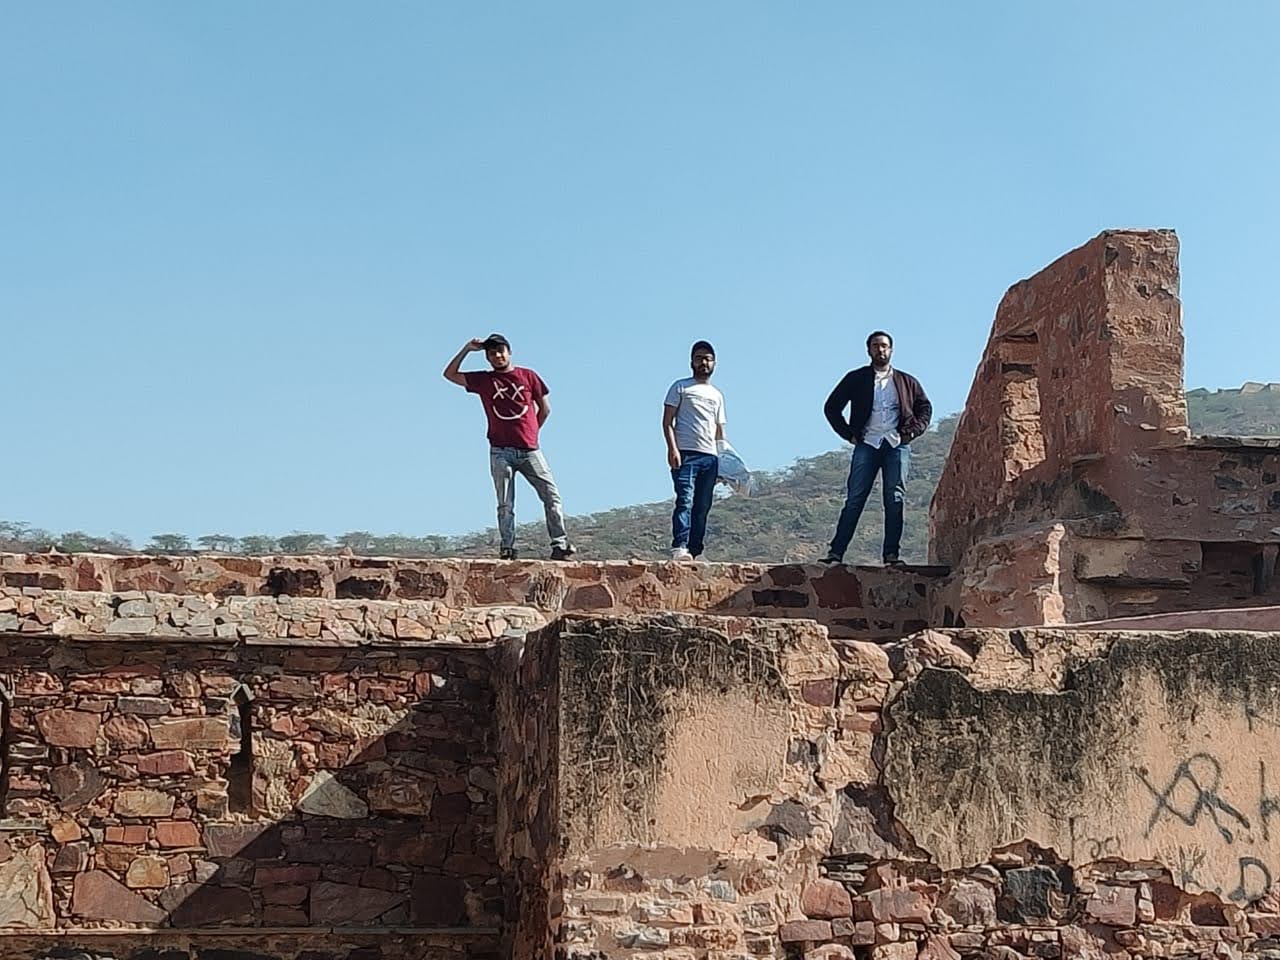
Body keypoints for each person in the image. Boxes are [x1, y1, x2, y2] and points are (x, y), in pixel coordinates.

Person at [443, 334, 575, 561]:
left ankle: (559, 544)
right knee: (505, 502)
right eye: (492, 353)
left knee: (551, 495)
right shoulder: (484, 380)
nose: (497, 356)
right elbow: (450, 374)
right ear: (487, 358)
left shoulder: (528, 376)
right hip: (500, 450)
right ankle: (508, 547)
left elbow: (545, 408)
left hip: (530, 449)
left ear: (509, 352)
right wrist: (466, 349)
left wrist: (533, 431)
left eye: (500, 351)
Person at [821, 331, 932, 566]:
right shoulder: (856, 378)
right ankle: (836, 553)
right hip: (867, 444)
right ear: (868, 350)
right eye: (875, 346)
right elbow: (831, 407)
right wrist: (849, 434)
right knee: (855, 498)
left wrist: (911, 432)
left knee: (895, 498)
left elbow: (925, 408)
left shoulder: (906, 381)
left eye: (884, 346)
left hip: (896, 445)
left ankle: (891, 555)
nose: (880, 350)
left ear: (891, 350)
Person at [662, 341, 726, 561]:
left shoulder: (717, 395)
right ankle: (680, 546)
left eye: (708, 359)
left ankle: (696, 550)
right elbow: (667, 421)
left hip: (710, 457)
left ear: (714, 363)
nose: (704, 362)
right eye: (699, 358)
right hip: (686, 453)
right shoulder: (680, 387)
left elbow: (720, 430)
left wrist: (724, 462)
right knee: (685, 500)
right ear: (692, 361)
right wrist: (672, 449)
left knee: (703, 505)